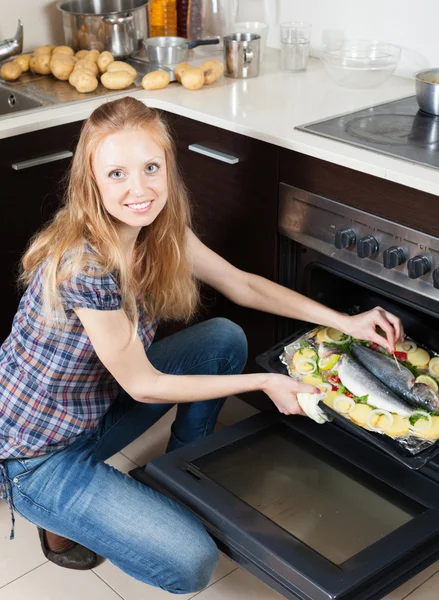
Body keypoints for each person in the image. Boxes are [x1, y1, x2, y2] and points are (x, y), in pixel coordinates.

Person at [0, 97, 403, 594]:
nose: (140, 189)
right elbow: (145, 385)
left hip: (93, 403)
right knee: (190, 561)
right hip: (32, 450)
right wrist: (266, 380)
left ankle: (176, 479)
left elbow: (244, 286)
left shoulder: (159, 232)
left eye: (151, 167)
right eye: (117, 174)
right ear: (92, 183)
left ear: (169, 168)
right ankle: (60, 515)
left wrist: (347, 321)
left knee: (223, 339)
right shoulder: (86, 265)